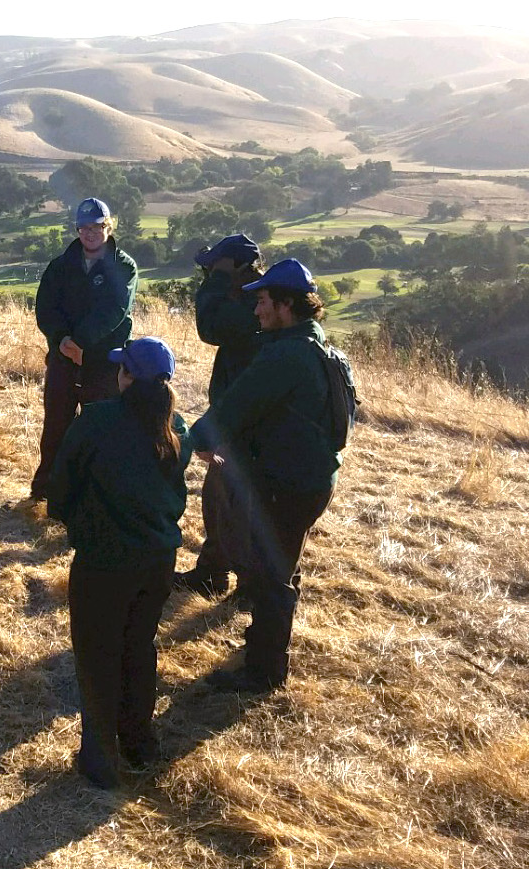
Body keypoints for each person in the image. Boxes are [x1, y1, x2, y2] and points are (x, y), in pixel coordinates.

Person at [191, 259, 340, 693]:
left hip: (288, 483)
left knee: (272, 577)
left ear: (286, 305)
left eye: (262, 301)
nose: (255, 311)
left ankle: (265, 670)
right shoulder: (315, 344)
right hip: (309, 478)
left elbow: (233, 407)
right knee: (280, 566)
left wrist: (192, 439)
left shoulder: (285, 356)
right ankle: (262, 650)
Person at [47, 338, 190, 788]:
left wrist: (78, 525)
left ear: (125, 376)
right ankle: (139, 743)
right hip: (158, 560)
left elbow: (60, 492)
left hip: (103, 561)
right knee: (139, 647)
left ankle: (100, 758)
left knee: (97, 656)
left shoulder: (96, 422)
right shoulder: (176, 426)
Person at [31, 197, 139, 501]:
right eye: (84, 227)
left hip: (105, 362)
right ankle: (46, 492)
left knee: (102, 429)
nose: (90, 232)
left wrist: (81, 343)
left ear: (108, 226)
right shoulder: (61, 265)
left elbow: (114, 309)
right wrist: (63, 340)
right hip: (63, 358)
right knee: (56, 427)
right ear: (76, 229)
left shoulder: (124, 266)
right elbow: (46, 308)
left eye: (97, 226)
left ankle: (97, 494)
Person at [176, 234, 263, 598]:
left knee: (234, 499)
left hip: (248, 421)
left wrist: (217, 282)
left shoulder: (257, 304)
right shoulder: (253, 297)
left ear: (238, 267)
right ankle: (215, 572)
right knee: (219, 495)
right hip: (239, 414)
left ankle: (244, 584)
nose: (209, 270)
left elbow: (210, 327)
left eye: (216, 264)